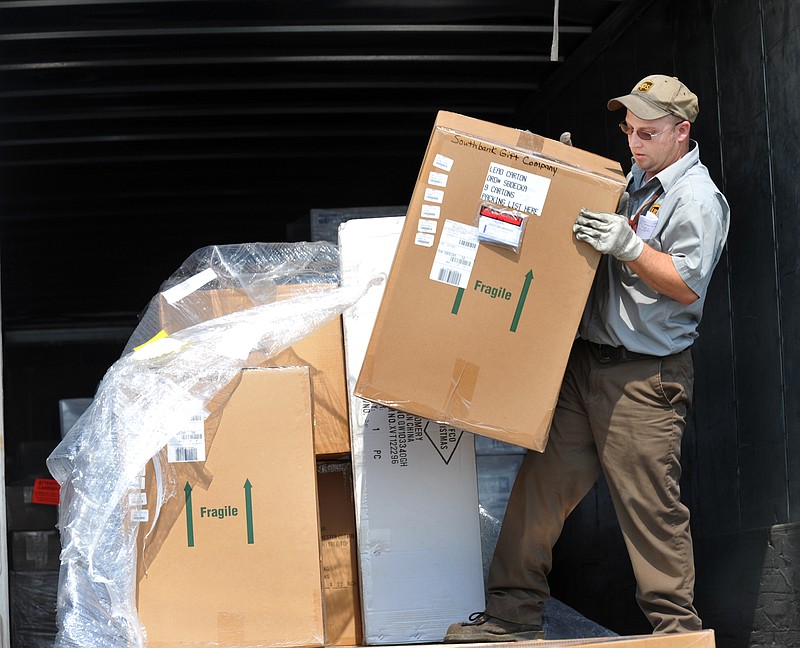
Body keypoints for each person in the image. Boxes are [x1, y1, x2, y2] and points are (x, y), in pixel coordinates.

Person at [444, 74, 730, 642]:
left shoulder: (696, 198)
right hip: (587, 366)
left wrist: (629, 248)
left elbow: (687, 283)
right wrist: (557, 172)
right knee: (538, 491)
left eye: (647, 133)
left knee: (649, 510)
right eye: (629, 130)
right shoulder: (635, 180)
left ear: (682, 132)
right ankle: (510, 619)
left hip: (644, 378)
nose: (635, 142)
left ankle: (678, 635)